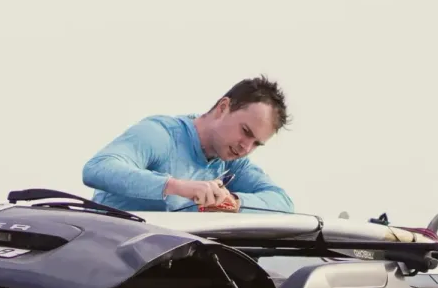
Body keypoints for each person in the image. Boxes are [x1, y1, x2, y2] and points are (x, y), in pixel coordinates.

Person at [82, 78, 294, 214]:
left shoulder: (232, 163)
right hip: (110, 267)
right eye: (245, 132)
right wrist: (178, 187)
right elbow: (97, 169)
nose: (245, 148)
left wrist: (233, 202)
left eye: (256, 143)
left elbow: (283, 204)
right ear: (223, 108)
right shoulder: (160, 135)